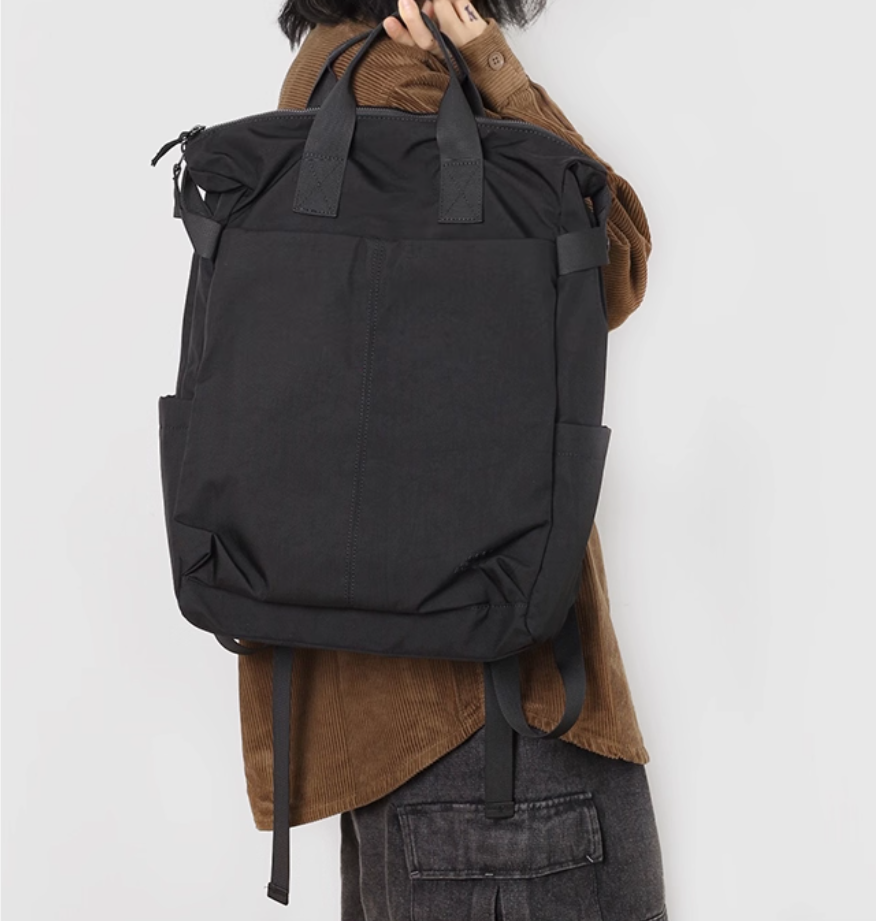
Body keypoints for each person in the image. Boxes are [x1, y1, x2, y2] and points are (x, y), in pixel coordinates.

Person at [238, 2, 667, 918]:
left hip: (397, 730)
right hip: (493, 719)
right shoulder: (407, 84)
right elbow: (614, 258)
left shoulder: (321, 79)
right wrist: (488, 60)